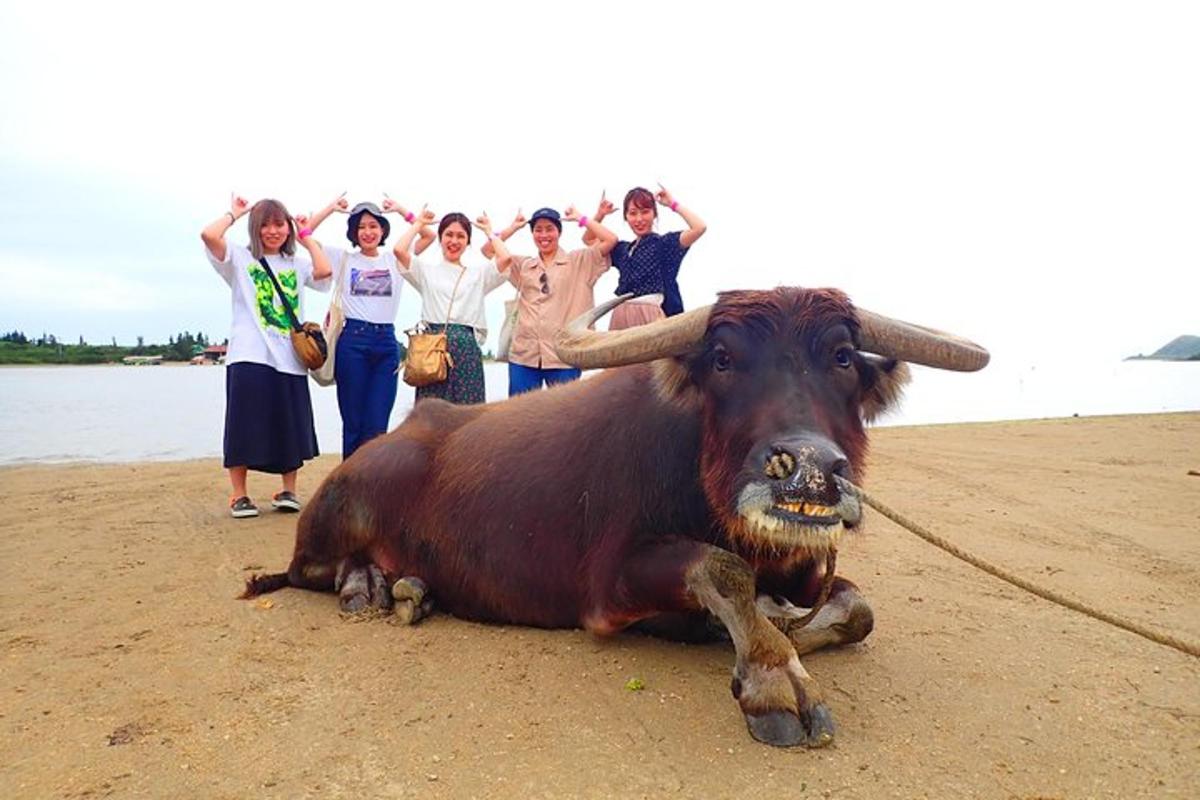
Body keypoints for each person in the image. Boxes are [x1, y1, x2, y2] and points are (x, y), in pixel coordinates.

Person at [201, 195, 332, 518]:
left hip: (289, 357)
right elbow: (209, 235)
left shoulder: (296, 265)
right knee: (243, 425)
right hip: (249, 354)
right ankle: (239, 495)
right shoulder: (239, 258)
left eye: (279, 224)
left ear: (287, 228)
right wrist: (235, 212)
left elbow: (325, 271)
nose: (273, 231)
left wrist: (306, 236)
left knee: (288, 425)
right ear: (255, 229)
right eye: (265, 225)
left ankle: (289, 490)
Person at [298, 193, 434, 458]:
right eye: (361, 227)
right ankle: (349, 487)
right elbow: (303, 234)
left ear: (383, 230)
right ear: (353, 232)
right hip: (352, 343)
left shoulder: (395, 259)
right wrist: (331, 208)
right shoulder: (343, 259)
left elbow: (428, 235)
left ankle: (372, 487)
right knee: (353, 424)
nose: (368, 232)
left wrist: (401, 210)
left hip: (386, 344)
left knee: (377, 426)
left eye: (373, 226)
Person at [482, 205, 618, 395]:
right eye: (538, 230)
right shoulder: (524, 265)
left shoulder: (580, 261)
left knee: (564, 417)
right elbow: (488, 249)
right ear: (532, 234)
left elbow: (611, 239)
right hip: (524, 355)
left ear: (559, 232)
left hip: (564, 355)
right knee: (520, 416)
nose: (544, 235)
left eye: (549, 229)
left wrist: (581, 217)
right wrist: (513, 227)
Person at [392, 209, 510, 405]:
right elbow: (399, 250)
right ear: (440, 238)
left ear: (468, 242)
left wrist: (490, 232)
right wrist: (418, 224)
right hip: (432, 348)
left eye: (461, 236)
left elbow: (505, 258)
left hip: (466, 348)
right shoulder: (425, 271)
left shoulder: (478, 274)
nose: (454, 241)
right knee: (431, 414)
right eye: (449, 234)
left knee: (468, 414)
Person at [584, 184, 707, 329]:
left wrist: (672, 204)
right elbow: (589, 239)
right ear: (626, 217)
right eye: (633, 213)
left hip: (651, 313)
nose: (639, 219)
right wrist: (600, 214)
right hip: (620, 313)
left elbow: (699, 227)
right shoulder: (623, 249)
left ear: (654, 214)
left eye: (645, 212)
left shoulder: (665, 244)